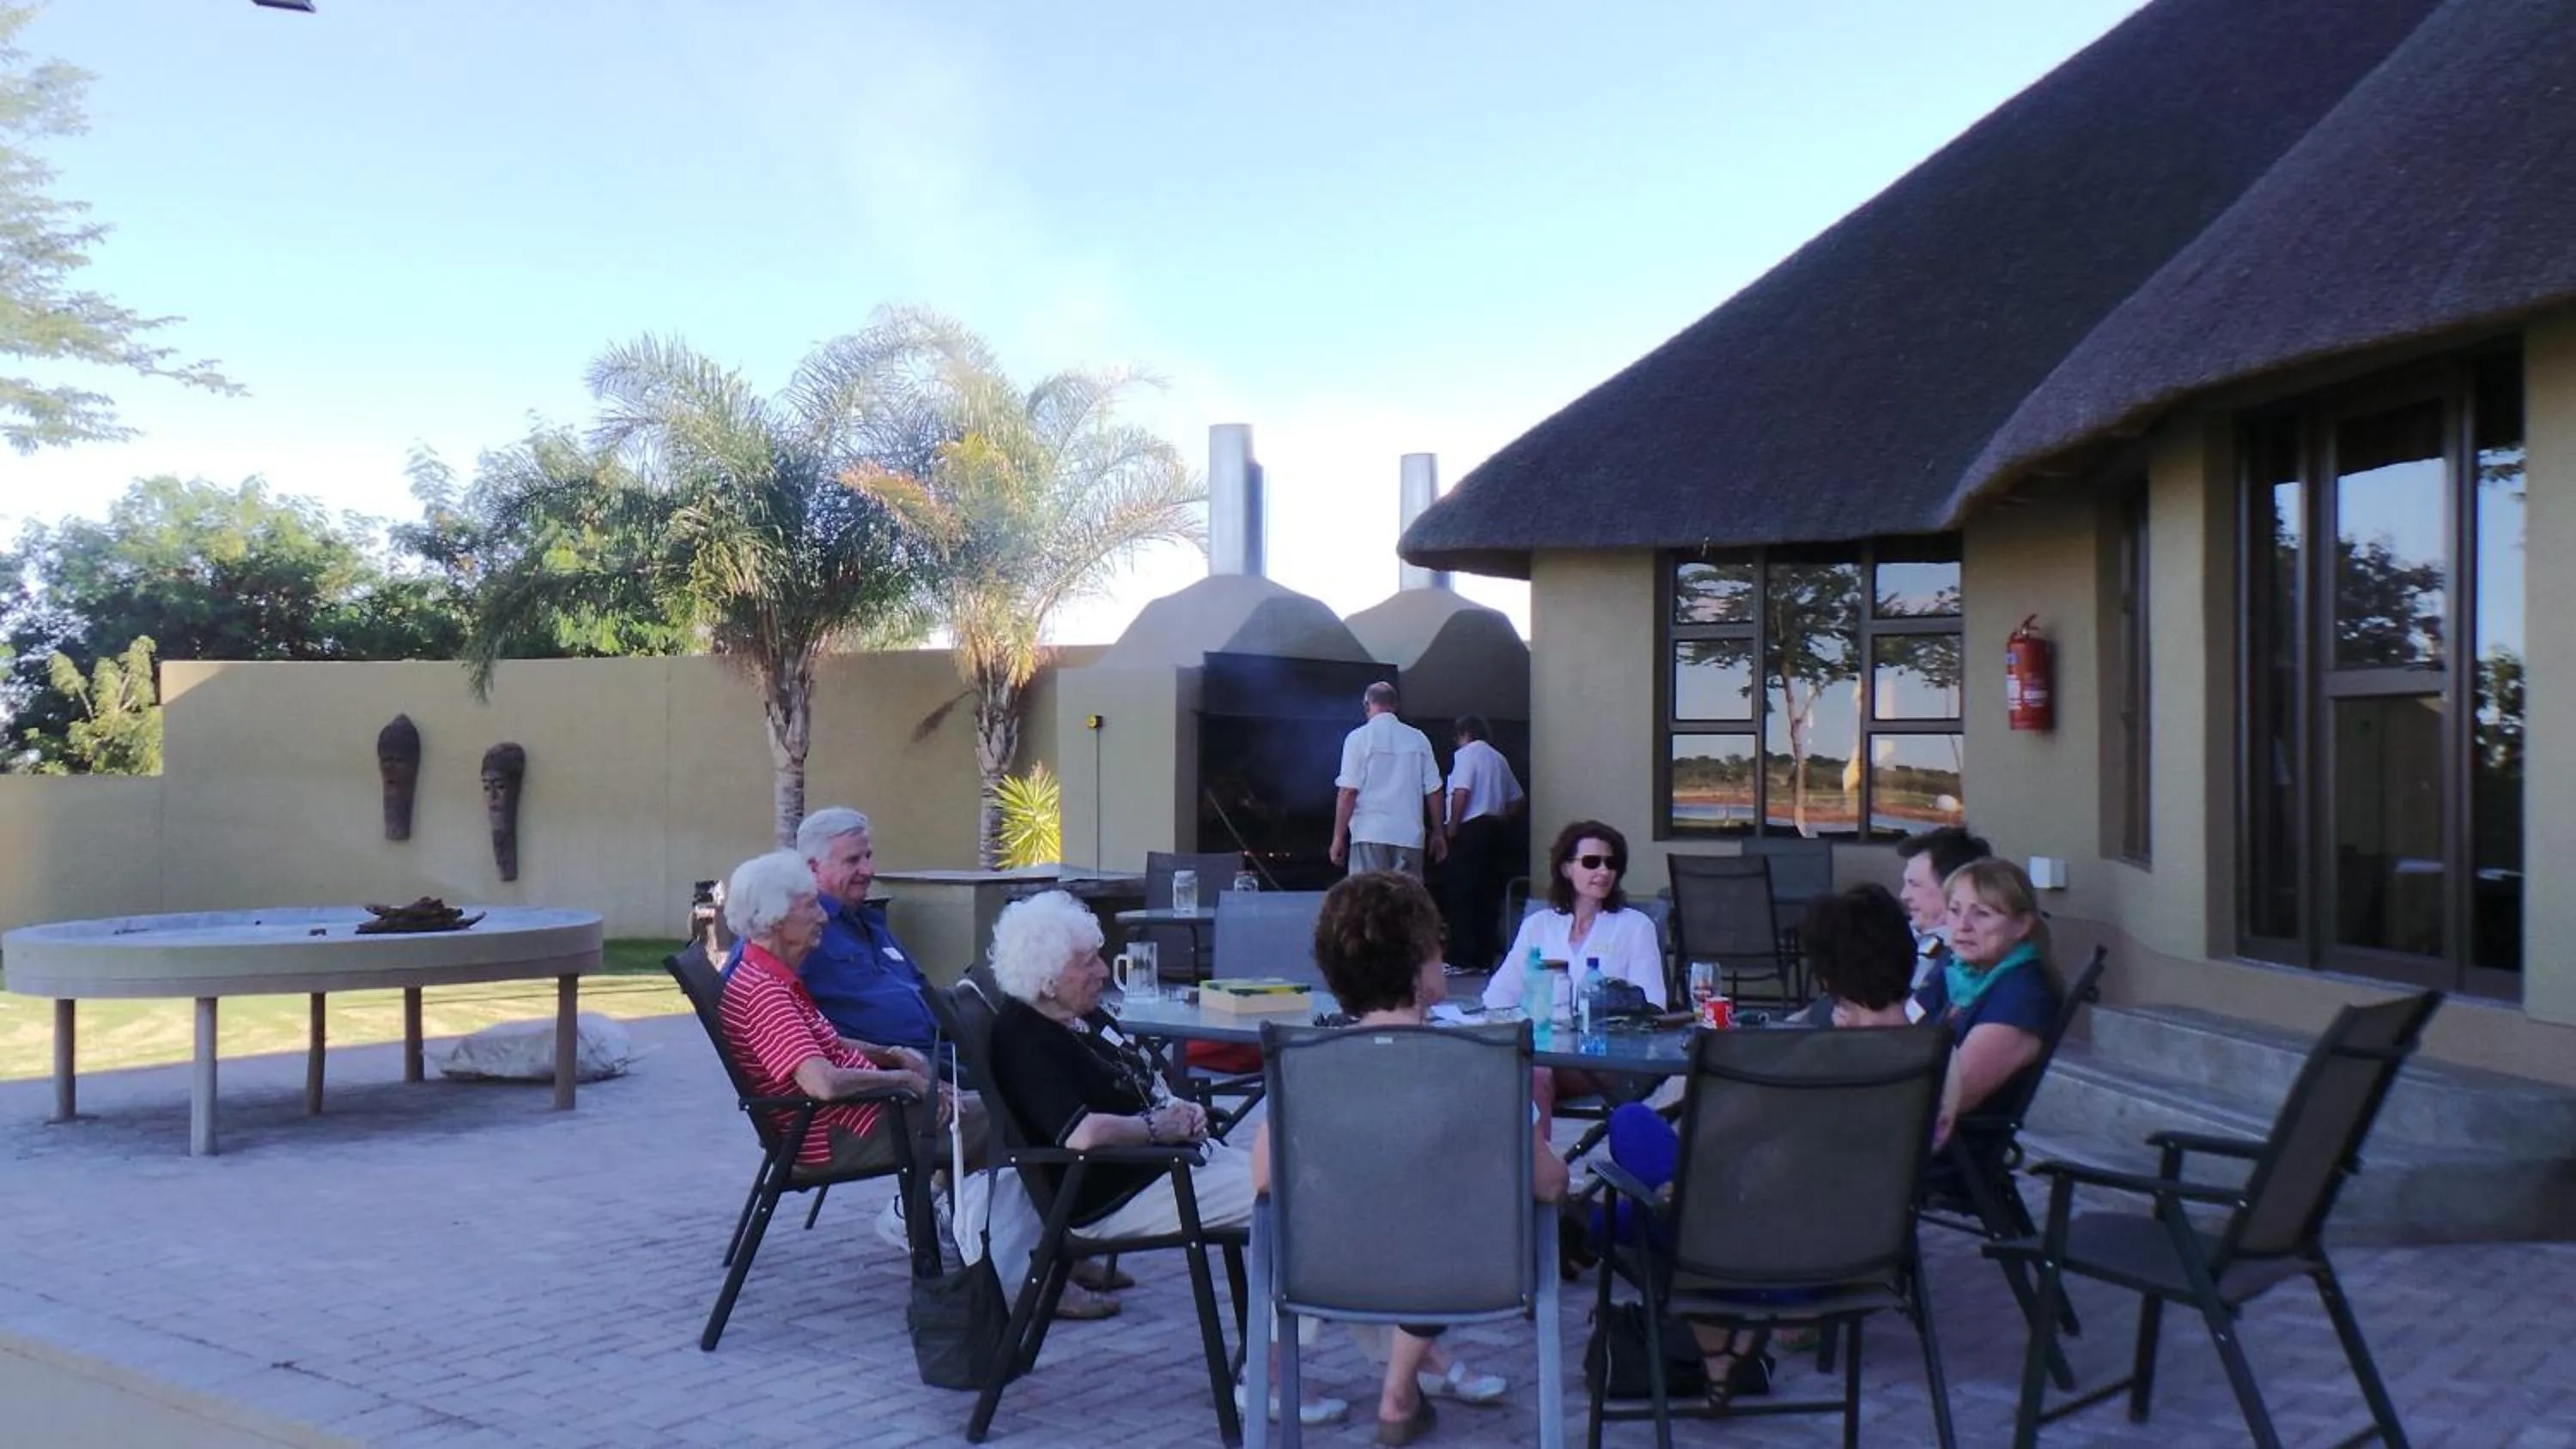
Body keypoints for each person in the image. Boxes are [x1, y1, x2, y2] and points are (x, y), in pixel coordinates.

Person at [1250, 872, 1568, 1445]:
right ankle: (1400, 1388)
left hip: (1329, 1275)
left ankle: (1401, 1385)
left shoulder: (1310, 1064)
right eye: (1437, 947)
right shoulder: (1479, 1063)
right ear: (1420, 966)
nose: (1443, 957)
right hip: (1465, 1278)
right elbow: (1547, 1185)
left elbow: (1264, 1177)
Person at [716, 849, 955, 1188]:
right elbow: (823, 1083)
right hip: (839, 1133)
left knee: (972, 1107)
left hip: (855, 1117)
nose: (824, 918)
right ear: (777, 920)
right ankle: (945, 1219)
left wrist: (888, 1054)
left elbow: (821, 1042)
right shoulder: (764, 991)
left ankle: (942, 1214)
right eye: (811, 906)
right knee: (998, 1119)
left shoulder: (770, 975)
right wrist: (901, 1079)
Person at [1480, 820, 1667, 1131]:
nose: (1604, 871)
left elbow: (1654, 1006)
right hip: (1541, 1047)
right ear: (1566, 868)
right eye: (1592, 862)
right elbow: (1498, 996)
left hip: (1604, 1057)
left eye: (1612, 863)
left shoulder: (1635, 927)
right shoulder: (1539, 925)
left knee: (1533, 1073)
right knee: (1490, 1070)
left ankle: (1537, 1170)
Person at [1917, 857, 2062, 1152]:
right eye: (1955, 911)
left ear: (2021, 925)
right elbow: (1905, 1029)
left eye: (1981, 914)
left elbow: (1954, 1095)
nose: (1963, 926)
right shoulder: (1958, 969)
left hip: (1947, 1153)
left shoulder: (2023, 995)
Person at [1330, 682, 1446, 877]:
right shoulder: (1418, 738)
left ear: (1366, 705)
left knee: (1369, 901)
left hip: (1369, 833)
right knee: (1406, 903)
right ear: (1396, 705)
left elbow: (1348, 792)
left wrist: (1338, 837)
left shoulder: (1357, 738)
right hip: (1409, 837)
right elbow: (1434, 790)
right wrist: (1438, 833)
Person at [1439, 716, 1524, 973]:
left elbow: (1462, 791)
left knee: (1461, 893)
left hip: (1471, 829)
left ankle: (1461, 958)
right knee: (1488, 894)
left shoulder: (1467, 755)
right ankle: (1484, 957)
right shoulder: (1499, 758)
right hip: (1495, 829)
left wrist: (1453, 825)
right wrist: (1500, 817)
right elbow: (1518, 799)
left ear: (1464, 733)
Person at [1893, 826, 1992, 991]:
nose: (1904, 895)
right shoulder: (1897, 937)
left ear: (1952, 887)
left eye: (1915, 885)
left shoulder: (1969, 957)